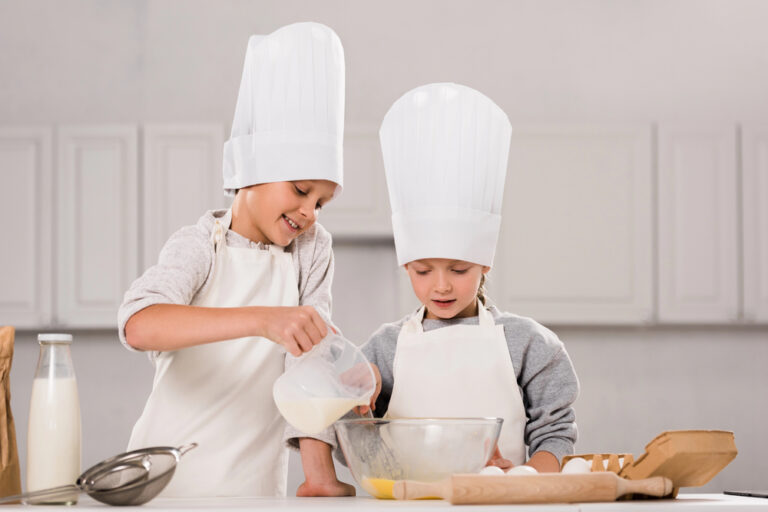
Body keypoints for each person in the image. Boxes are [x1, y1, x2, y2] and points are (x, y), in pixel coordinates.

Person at [291, 83, 579, 491]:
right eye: (423, 271)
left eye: (459, 269)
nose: (440, 286)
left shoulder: (528, 343)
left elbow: (556, 434)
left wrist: (521, 477)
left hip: (502, 505)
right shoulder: (385, 347)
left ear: (485, 263)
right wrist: (357, 395)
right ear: (406, 265)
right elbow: (350, 433)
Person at [117, 22, 347, 498]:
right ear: (252, 173)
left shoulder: (311, 249)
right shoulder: (199, 244)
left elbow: (310, 369)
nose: (308, 212)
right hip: (162, 486)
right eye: (301, 190)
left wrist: (320, 479)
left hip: (253, 491)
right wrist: (265, 320)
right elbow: (140, 325)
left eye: (321, 202)